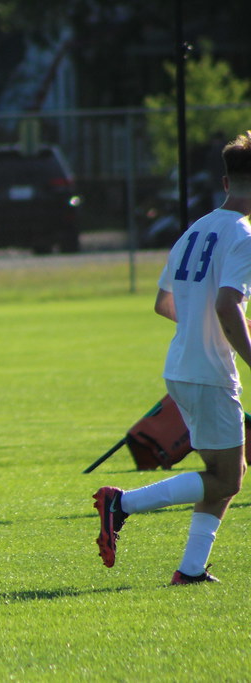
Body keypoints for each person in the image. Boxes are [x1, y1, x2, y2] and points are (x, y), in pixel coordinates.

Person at [94, 131, 251, 584]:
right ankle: (121, 503)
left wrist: (204, 325)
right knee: (227, 479)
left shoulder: (194, 230)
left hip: (182, 366)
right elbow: (227, 306)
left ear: (225, 182)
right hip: (208, 371)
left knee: (227, 472)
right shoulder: (243, 236)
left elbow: (164, 303)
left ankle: (190, 570)